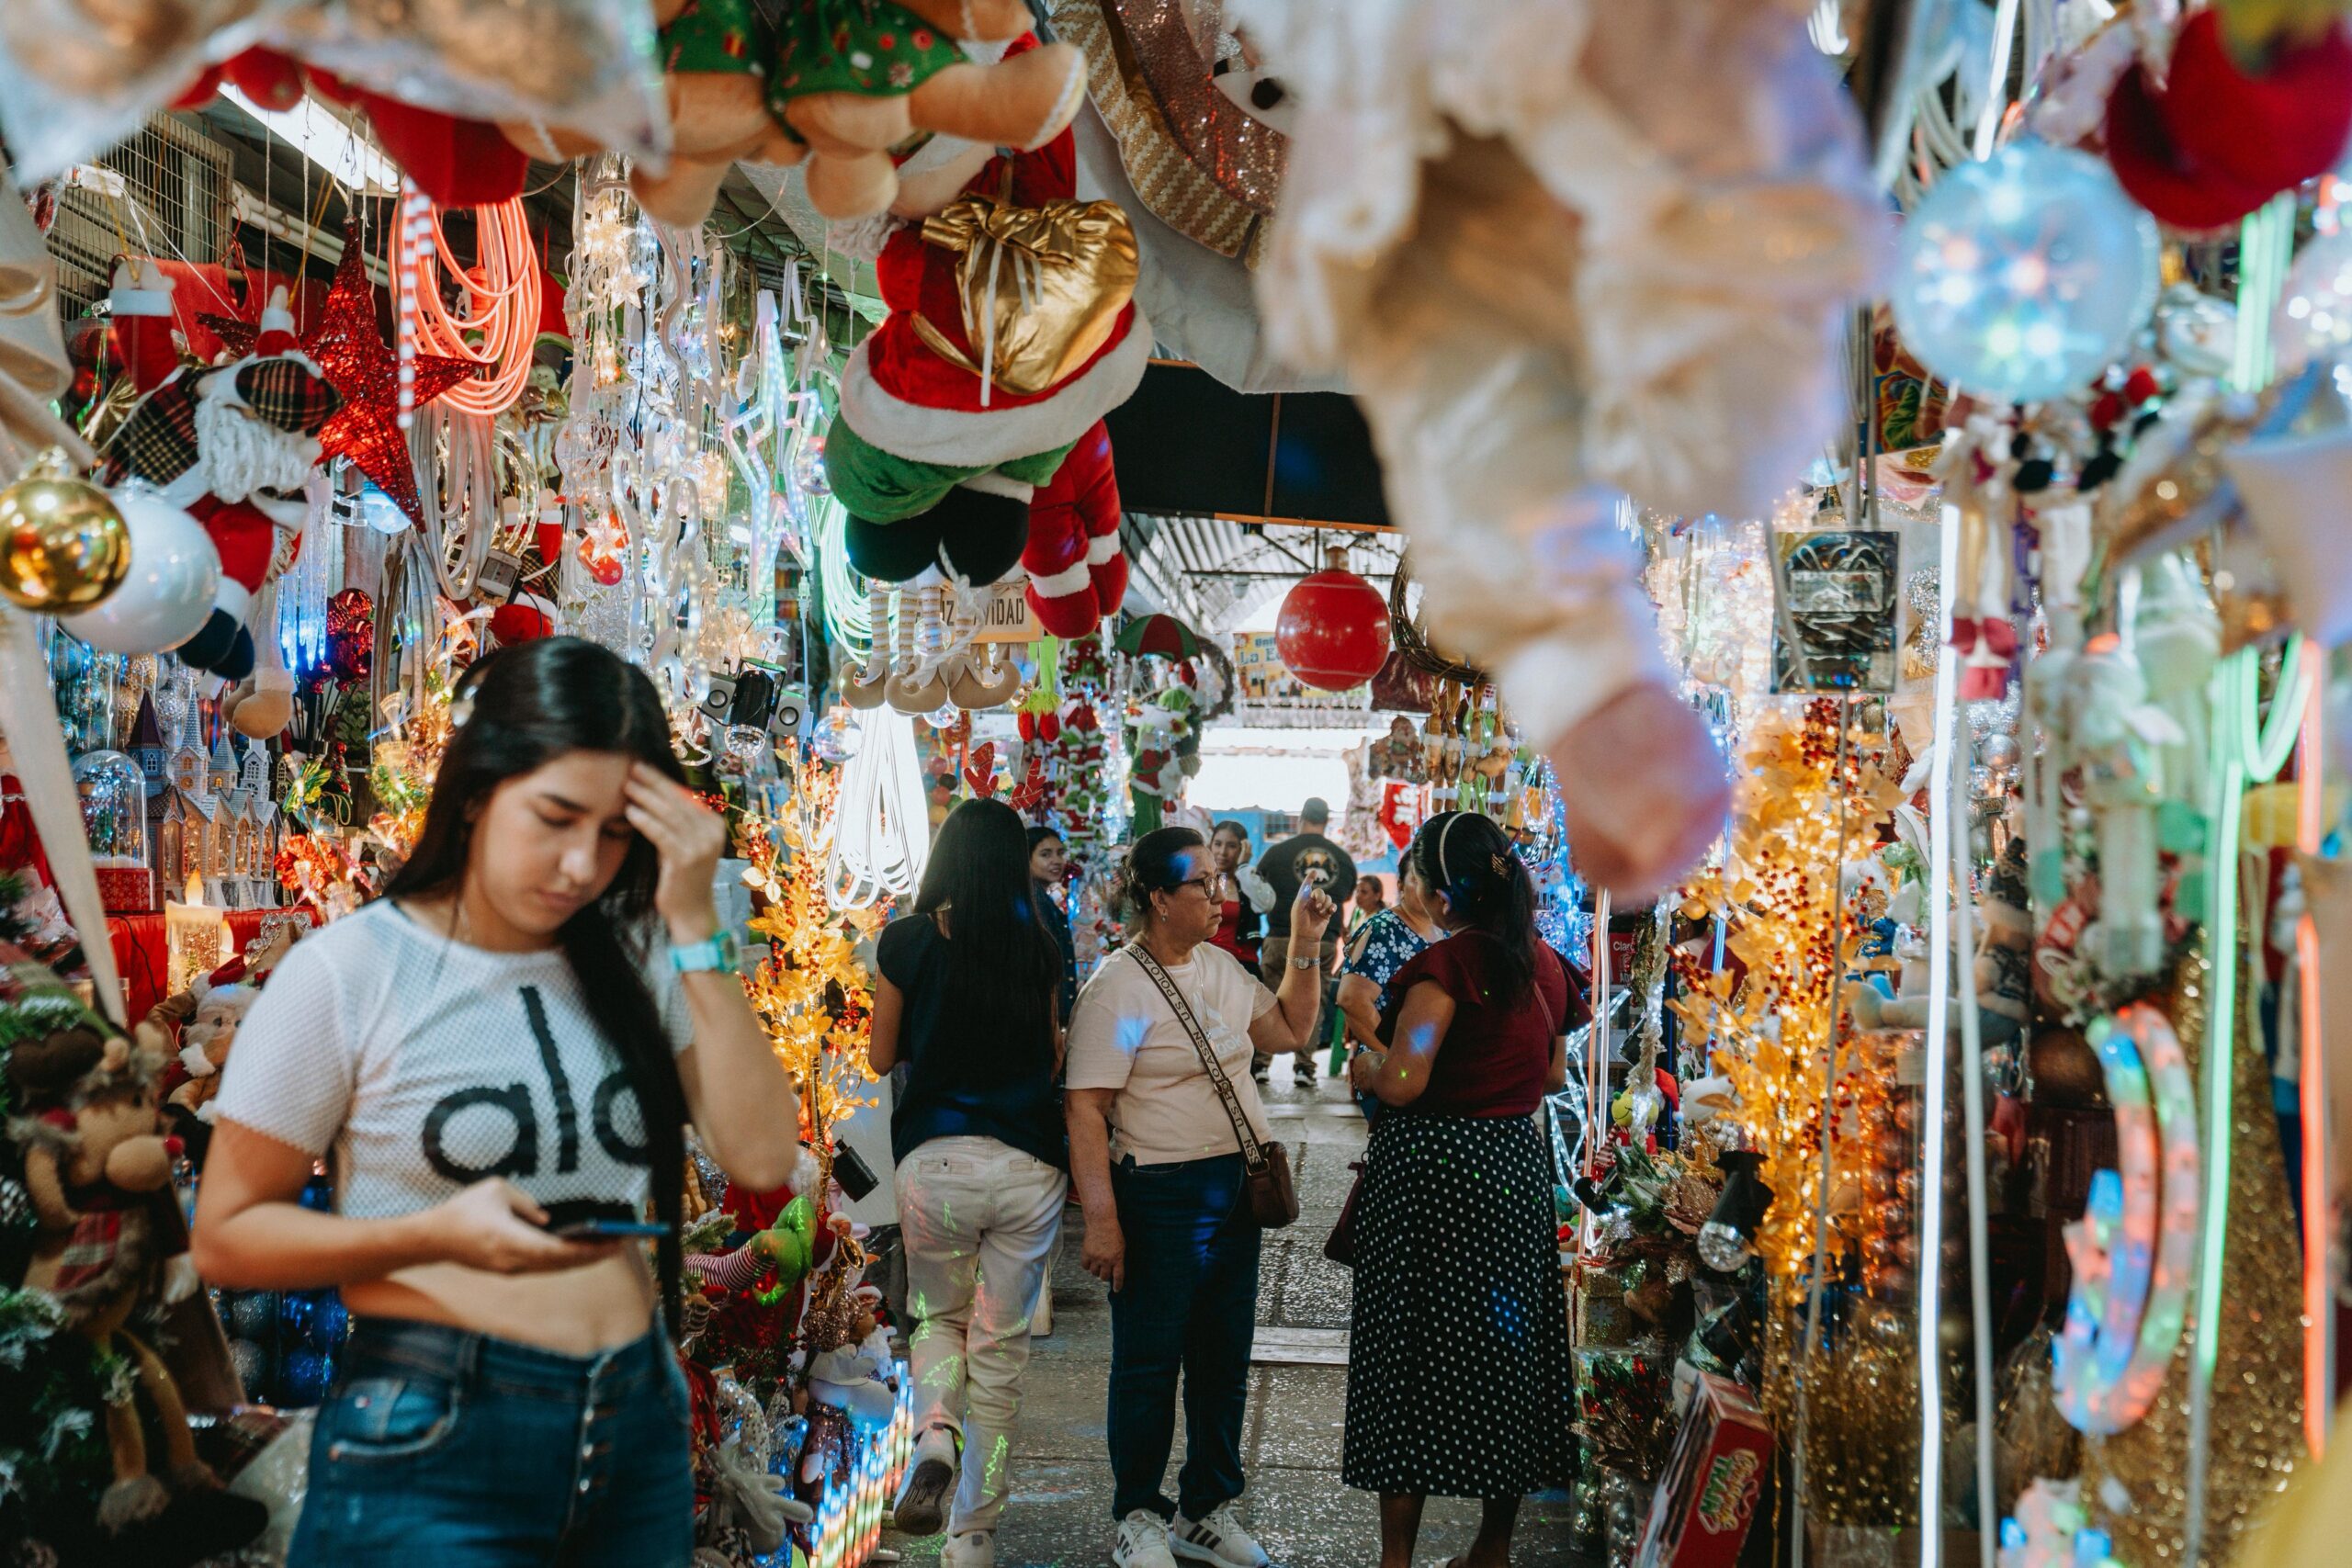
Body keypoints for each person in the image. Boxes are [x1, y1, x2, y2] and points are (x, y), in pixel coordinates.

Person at [193, 637, 800, 1568]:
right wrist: (435, 1233)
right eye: (554, 818)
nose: (578, 865)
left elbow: (761, 1159)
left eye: (613, 834)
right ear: (477, 792)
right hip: (438, 1428)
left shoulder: (641, 956)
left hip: (637, 1414)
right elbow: (229, 1235)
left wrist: (693, 926)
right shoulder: (352, 971)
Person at [1064, 827, 1336, 1568]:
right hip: (1158, 1192)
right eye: (1202, 885)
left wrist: (1305, 942)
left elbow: (1287, 1029)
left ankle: (1205, 1508)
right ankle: (1136, 1513)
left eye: (1219, 881)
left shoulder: (1219, 967)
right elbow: (1086, 1105)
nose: (1220, 897)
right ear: (1157, 896)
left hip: (1232, 1193)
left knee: (1223, 1356)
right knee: (1150, 1361)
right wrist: (1103, 1220)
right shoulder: (1119, 989)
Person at [1343, 811, 1583, 1568]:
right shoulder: (1543, 963)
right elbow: (1548, 1077)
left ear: (1444, 897)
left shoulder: (1448, 965)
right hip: (1512, 1173)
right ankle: (1493, 1545)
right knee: (1508, 1354)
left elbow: (1406, 1081)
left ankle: (1397, 1559)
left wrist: (1369, 1067)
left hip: (1433, 1181)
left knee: (1408, 1360)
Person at [870, 799, 1069, 1568]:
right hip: (1027, 1164)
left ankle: (934, 1436)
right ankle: (974, 1533)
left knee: (936, 1321)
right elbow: (1052, 1057)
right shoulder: (1038, 943)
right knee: (1002, 1349)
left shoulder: (910, 939)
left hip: (936, 1162)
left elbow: (884, 1055)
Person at [1335, 828, 1447, 1122]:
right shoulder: (1384, 929)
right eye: (1417, 879)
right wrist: (1397, 1060)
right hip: (1399, 1079)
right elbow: (1351, 1000)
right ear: (1399, 884)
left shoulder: (1443, 929)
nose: (1428, 888)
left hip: (1431, 1075)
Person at [1252, 796, 1355, 1087]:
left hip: (1280, 936)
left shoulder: (1277, 853)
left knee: (1266, 999)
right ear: (1326, 822)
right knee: (1314, 1001)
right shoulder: (1342, 858)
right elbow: (1345, 896)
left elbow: (1258, 889)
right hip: (1322, 941)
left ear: (1301, 819)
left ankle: (1260, 1065)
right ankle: (1304, 1068)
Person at [1205, 819, 1273, 970]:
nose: (1222, 852)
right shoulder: (1203, 881)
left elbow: (1267, 904)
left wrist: (1243, 867)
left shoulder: (1247, 880)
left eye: (1231, 846)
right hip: (1208, 965)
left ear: (1243, 849)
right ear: (1210, 845)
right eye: (1217, 844)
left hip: (1244, 966)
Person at [1029, 824, 1078, 1022]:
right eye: (1046, 854)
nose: (1056, 861)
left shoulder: (1041, 898)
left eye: (1060, 853)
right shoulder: (1034, 902)